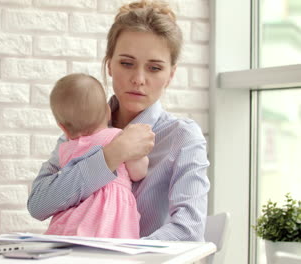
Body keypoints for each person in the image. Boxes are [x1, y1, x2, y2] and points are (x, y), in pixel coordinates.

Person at [28, 0, 210, 241]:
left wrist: (122, 256)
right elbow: (39, 204)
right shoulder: (83, 126)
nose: (138, 79)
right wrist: (112, 155)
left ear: (170, 75)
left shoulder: (182, 136)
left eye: (154, 68)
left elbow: (189, 230)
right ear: (109, 65)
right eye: (126, 63)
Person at [45, 73, 149, 239]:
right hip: (109, 218)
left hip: (72, 221)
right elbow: (139, 172)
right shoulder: (117, 137)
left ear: (63, 128)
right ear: (108, 112)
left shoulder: (65, 149)